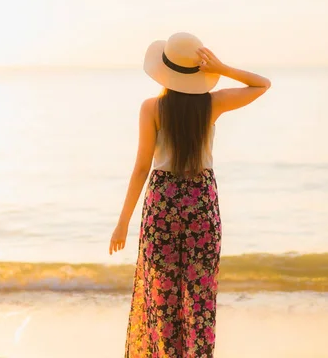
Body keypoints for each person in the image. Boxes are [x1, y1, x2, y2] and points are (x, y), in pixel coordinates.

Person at [109, 32, 271, 357]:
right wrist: (223, 68)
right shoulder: (213, 103)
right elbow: (261, 84)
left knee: (162, 299)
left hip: (161, 204)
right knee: (200, 299)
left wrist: (122, 222)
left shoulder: (152, 108)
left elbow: (142, 167)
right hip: (201, 204)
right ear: (199, 72)